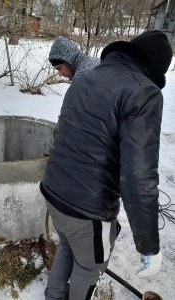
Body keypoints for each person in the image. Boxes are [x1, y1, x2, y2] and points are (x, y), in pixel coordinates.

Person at [40, 30, 173, 300]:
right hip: (87, 209)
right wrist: (148, 245)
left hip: (53, 190)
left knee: (67, 245)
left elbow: (62, 132)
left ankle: (53, 296)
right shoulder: (143, 92)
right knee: (88, 269)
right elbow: (138, 175)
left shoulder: (87, 76)